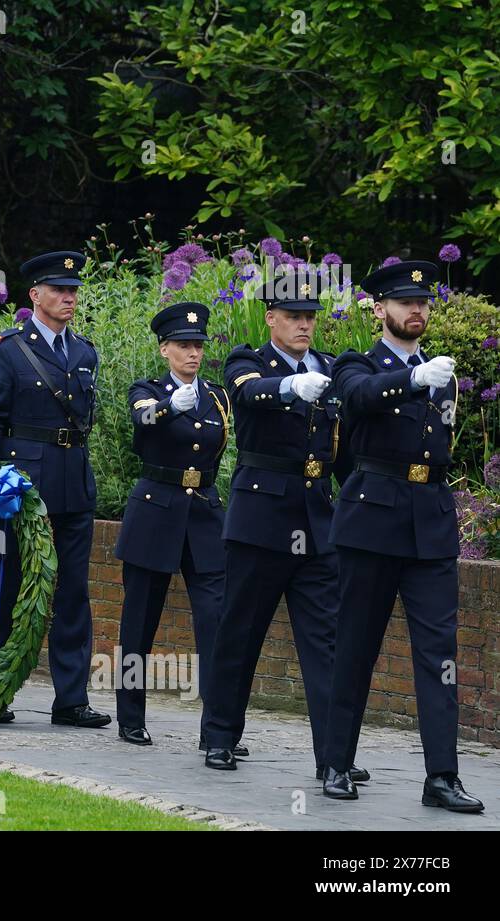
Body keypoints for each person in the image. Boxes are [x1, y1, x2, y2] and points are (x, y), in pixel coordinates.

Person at [320, 259, 482, 812]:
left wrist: (427, 376)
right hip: (372, 520)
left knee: (439, 653)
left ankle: (442, 775)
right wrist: (412, 380)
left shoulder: (440, 369)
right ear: (379, 309)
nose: (416, 310)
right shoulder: (356, 363)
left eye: (423, 303)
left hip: (431, 521)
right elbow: (359, 397)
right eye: (404, 302)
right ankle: (337, 763)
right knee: (356, 647)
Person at [198, 276, 363, 776]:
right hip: (261, 518)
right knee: (240, 633)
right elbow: (248, 394)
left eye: (310, 316)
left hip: (317, 520)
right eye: (294, 316)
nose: (304, 324)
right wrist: (291, 385)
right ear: (271, 318)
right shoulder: (249, 362)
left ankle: (333, 757)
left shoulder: (331, 369)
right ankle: (220, 737)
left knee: (328, 642)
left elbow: (343, 451)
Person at [0, 250, 108, 727]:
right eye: (58, 291)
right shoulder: (8, 348)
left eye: (72, 291)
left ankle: (71, 699)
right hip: (23, 484)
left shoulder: (85, 350)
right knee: (8, 583)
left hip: (72, 483)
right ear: (35, 296)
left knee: (72, 592)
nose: (68, 298)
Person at [113, 302, 227, 744]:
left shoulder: (216, 395)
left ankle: (218, 728)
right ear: (164, 349)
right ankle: (131, 717)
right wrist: (167, 407)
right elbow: (141, 419)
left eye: (197, 345)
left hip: (202, 516)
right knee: (139, 621)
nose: (192, 354)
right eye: (183, 345)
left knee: (215, 622)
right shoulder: (147, 389)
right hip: (155, 511)